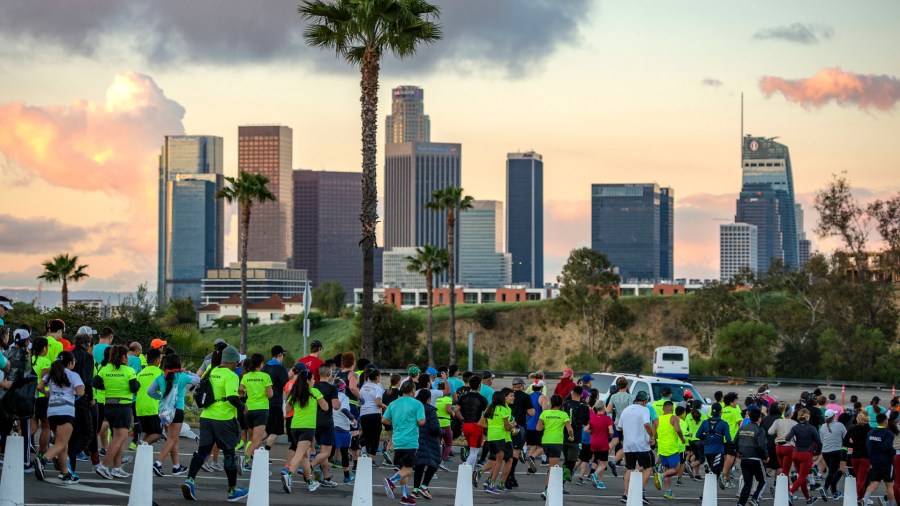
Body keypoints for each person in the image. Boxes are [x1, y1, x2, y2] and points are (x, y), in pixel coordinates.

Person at [181, 346, 249, 502]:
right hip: (223, 418)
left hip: (206, 417)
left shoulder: (211, 370)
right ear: (234, 361)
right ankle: (232, 491)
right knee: (229, 454)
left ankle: (189, 481)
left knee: (203, 451)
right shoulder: (231, 376)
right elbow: (232, 398)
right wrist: (242, 406)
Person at [32, 351, 84, 484]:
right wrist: (75, 392)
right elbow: (80, 392)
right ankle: (42, 460)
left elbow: (39, 386)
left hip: (52, 411)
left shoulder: (51, 374)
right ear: (70, 363)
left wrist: (47, 393)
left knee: (63, 443)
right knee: (60, 443)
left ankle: (65, 473)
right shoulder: (73, 375)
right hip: (66, 410)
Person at [148, 353, 199, 476]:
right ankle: (158, 463)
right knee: (172, 439)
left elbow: (150, 391)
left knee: (173, 438)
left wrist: (161, 397)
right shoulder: (182, 377)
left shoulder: (161, 377)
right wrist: (187, 372)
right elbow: (197, 379)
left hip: (164, 412)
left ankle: (176, 466)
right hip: (177, 411)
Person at [93, 345, 138, 479]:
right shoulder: (129, 370)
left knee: (119, 437)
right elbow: (134, 388)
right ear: (124, 356)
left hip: (109, 405)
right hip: (123, 406)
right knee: (120, 437)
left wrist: (108, 386)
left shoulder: (105, 369)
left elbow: (95, 383)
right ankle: (104, 466)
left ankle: (117, 467)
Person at [281, 368, 329, 493]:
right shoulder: (314, 392)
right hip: (307, 427)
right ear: (308, 381)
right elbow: (326, 407)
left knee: (305, 455)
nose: (314, 381)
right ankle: (289, 475)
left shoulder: (295, 392)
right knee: (300, 454)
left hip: (294, 426)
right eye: (312, 379)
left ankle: (310, 482)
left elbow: (288, 409)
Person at [382, 380, 426, 506]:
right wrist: (416, 421)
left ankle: (405, 496)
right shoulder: (417, 404)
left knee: (402, 469)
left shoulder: (393, 403)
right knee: (408, 470)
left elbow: (384, 419)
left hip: (397, 440)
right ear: (413, 390)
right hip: (410, 440)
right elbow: (421, 421)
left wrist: (395, 423)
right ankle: (391, 481)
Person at [618, 390, 655, 504]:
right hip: (641, 444)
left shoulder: (626, 410)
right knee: (648, 467)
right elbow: (647, 424)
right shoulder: (645, 410)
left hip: (628, 444)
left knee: (630, 468)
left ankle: (625, 494)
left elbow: (620, 427)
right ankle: (638, 492)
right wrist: (652, 436)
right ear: (644, 401)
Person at [239, 353, 272, 471]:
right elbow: (270, 394)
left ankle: (258, 466)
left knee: (253, 439)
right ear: (261, 363)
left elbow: (240, 391)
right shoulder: (265, 376)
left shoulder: (246, 376)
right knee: (257, 440)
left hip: (248, 409)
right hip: (261, 409)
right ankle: (244, 459)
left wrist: (247, 393)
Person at [537, 394, 574, 500]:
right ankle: (546, 490)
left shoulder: (545, 413)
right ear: (561, 403)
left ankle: (548, 489)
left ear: (551, 402)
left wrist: (547, 426)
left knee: (551, 466)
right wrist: (571, 437)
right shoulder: (563, 415)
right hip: (556, 442)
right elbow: (570, 429)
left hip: (545, 442)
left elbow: (538, 428)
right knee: (552, 468)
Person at [480, 389, 515, 494]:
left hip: (490, 437)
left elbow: (481, 423)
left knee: (496, 461)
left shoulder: (490, 408)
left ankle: (489, 482)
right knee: (498, 462)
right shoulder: (503, 410)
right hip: (500, 437)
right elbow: (506, 426)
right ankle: (491, 485)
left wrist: (491, 427)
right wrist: (513, 427)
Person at [311, 365, 340, 488]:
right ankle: (309, 467)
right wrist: (339, 401)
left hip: (314, 421)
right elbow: (335, 406)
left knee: (322, 451)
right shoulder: (332, 388)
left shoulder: (313, 386)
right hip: (327, 421)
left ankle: (326, 477)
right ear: (329, 374)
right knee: (327, 453)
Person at [784, 408, 822, 505]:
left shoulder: (795, 427)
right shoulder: (812, 428)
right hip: (806, 454)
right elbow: (819, 442)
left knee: (802, 478)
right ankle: (790, 493)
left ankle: (808, 499)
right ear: (808, 417)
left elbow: (787, 438)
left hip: (796, 453)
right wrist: (817, 453)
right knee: (802, 477)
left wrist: (795, 442)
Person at [412, 388, 441, 499]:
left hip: (416, 438)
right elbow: (435, 428)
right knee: (434, 462)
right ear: (428, 399)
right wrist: (441, 432)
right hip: (429, 440)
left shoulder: (414, 408)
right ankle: (424, 486)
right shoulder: (430, 410)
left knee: (419, 464)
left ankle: (415, 490)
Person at [456, 374, 488, 477]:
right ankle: (465, 466)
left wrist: (462, 419)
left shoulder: (463, 397)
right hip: (476, 426)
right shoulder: (482, 399)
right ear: (479, 385)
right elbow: (487, 414)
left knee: (472, 449)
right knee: (475, 451)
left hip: (466, 425)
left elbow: (455, 409)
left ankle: (471, 472)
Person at [736, 408, 769, 506]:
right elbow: (762, 446)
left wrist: (739, 452)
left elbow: (735, 442)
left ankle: (741, 503)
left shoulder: (742, 428)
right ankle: (755, 499)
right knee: (763, 480)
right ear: (759, 418)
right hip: (755, 459)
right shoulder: (760, 430)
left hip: (744, 459)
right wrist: (765, 456)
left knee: (747, 483)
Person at [863, 412, 896, 506]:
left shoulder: (871, 432)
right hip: (886, 463)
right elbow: (888, 447)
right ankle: (890, 504)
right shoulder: (888, 433)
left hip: (875, 462)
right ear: (886, 421)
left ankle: (864, 501)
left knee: (874, 483)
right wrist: (893, 453)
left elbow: (868, 446)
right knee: (889, 485)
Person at [507, 377, 534, 487]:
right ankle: (510, 476)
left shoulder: (508, 395)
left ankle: (509, 476)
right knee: (516, 453)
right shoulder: (525, 397)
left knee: (508, 451)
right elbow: (531, 412)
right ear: (522, 385)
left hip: (507, 425)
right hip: (519, 426)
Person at [698, 402, 732, 489]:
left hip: (707, 450)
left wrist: (706, 437)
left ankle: (710, 487)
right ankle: (710, 491)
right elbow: (728, 439)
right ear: (721, 412)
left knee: (712, 471)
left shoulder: (705, 422)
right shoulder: (724, 424)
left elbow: (697, 435)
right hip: (718, 450)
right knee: (715, 472)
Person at [655, 400, 685, 499]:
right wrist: (682, 438)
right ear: (672, 409)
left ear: (663, 409)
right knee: (676, 470)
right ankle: (661, 476)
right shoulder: (674, 418)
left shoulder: (657, 419)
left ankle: (668, 492)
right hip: (671, 448)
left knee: (668, 470)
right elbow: (678, 430)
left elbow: (654, 434)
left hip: (662, 448)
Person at [261, 345, 288, 453]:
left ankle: (252, 448)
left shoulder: (264, 368)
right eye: (283, 355)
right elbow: (286, 386)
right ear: (280, 355)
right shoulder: (281, 369)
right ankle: (264, 453)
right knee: (275, 430)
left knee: (267, 429)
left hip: (263, 403)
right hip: (276, 403)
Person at [136, 348, 164, 446]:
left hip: (140, 407)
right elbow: (163, 389)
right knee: (158, 433)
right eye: (160, 359)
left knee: (148, 431)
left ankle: (141, 447)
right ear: (157, 360)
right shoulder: (159, 372)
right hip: (153, 407)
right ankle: (142, 445)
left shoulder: (140, 373)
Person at [332, 378, 358, 484]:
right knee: (344, 453)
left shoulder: (330, 397)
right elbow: (344, 409)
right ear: (343, 389)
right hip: (342, 428)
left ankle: (318, 471)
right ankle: (346, 477)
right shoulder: (344, 398)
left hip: (332, 427)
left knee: (328, 453)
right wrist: (353, 419)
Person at [563, 385, 590, 483]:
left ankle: (562, 479)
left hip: (564, 435)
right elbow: (586, 422)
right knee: (571, 461)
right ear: (582, 394)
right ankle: (563, 481)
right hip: (576, 437)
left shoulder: (565, 404)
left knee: (566, 460)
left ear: (572, 393)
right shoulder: (584, 407)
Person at [583, 398, 613, 489]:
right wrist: (609, 435)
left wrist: (592, 432)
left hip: (594, 442)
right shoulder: (607, 419)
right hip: (603, 443)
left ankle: (600, 482)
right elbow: (611, 431)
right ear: (604, 407)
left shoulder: (593, 418)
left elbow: (585, 429)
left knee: (597, 461)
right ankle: (594, 474)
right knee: (603, 464)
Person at [819, 409, 847, 501]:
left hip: (825, 451)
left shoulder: (822, 426)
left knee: (833, 471)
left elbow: (822, 440)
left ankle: (834, 491)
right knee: (832, 471)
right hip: (836, 451)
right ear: (834, 416)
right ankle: (825, 488)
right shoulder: (840, 425)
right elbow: (845, 438)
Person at [845, 411, 872, 500]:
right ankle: (853, 497)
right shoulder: (870, 430)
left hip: (855, 456)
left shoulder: (852, 429)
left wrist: (854, 445)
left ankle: (861, 498)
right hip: (865, 457)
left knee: (859, 479)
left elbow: (845, 442)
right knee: (861, 480)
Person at [359, 367, 385, 456]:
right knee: (375, 437)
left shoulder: (363, 387)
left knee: (366, 435)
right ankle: (370, 460)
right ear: (377, 377)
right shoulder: (377, 388)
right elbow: (378, 403)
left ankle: (360, 450)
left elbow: (359, 401)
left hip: (364, 413)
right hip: (374, 414)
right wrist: (385, 406)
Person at [525, 379, 548, 473]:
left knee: (533, 446)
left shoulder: (528, 396)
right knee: (543, 446)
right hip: (538, 426)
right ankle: (532, 457)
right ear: (542, 388)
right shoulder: (543, 397)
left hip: (528, 425)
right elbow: (544, 413)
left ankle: (530, 468)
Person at [721, 392, 743, 488]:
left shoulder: (722, 410)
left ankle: (728, 480)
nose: (736, 403)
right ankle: (722, 476)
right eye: (735, 401)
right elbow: (741, 425)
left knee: (726, 461)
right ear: (731, 402)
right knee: (731, 460)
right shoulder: (735, 411)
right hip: (732, 439)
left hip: (722, 438)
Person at [683, 400, 707, 481]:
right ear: (700, 406)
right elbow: (707, 428)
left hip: (691, 440)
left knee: (697, 457)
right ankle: (689, 466)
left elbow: (686, 427)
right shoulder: (703, 416)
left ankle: (697, 475)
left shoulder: (688, 416)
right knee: (701, 459)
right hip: (700, 439)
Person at [434, 379, 454, 469]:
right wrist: (453, 414)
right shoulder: (448, 399)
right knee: (449, 443)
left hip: (437, 422)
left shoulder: (435, 398)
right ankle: (442, 460)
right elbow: (448, 410)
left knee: (437, 443)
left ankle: (435, 460)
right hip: (445, 423)